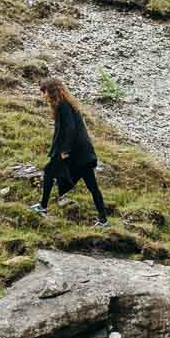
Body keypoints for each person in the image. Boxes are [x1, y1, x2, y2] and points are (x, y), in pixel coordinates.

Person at [32, 77, 109, 226]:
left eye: (44, 92)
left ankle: (43, 207)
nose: (43, 95)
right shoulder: (66, 104)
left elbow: (70, 129)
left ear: (52, 91)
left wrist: (64, 151)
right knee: (92, 186)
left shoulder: (63, 106)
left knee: (48, 172)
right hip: (82, 153)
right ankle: (103, 221)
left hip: (75, 152)